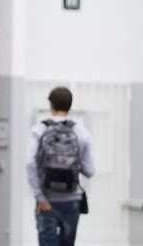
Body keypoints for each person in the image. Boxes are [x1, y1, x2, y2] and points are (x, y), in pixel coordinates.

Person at [26, 87, 95, 246]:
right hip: (72, 200)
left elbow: (30, 163)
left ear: (50, 105)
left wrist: (40, 197)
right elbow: (90, 171)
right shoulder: (81, 132)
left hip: (46, 201)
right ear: (70, 106)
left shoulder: (39, 130)